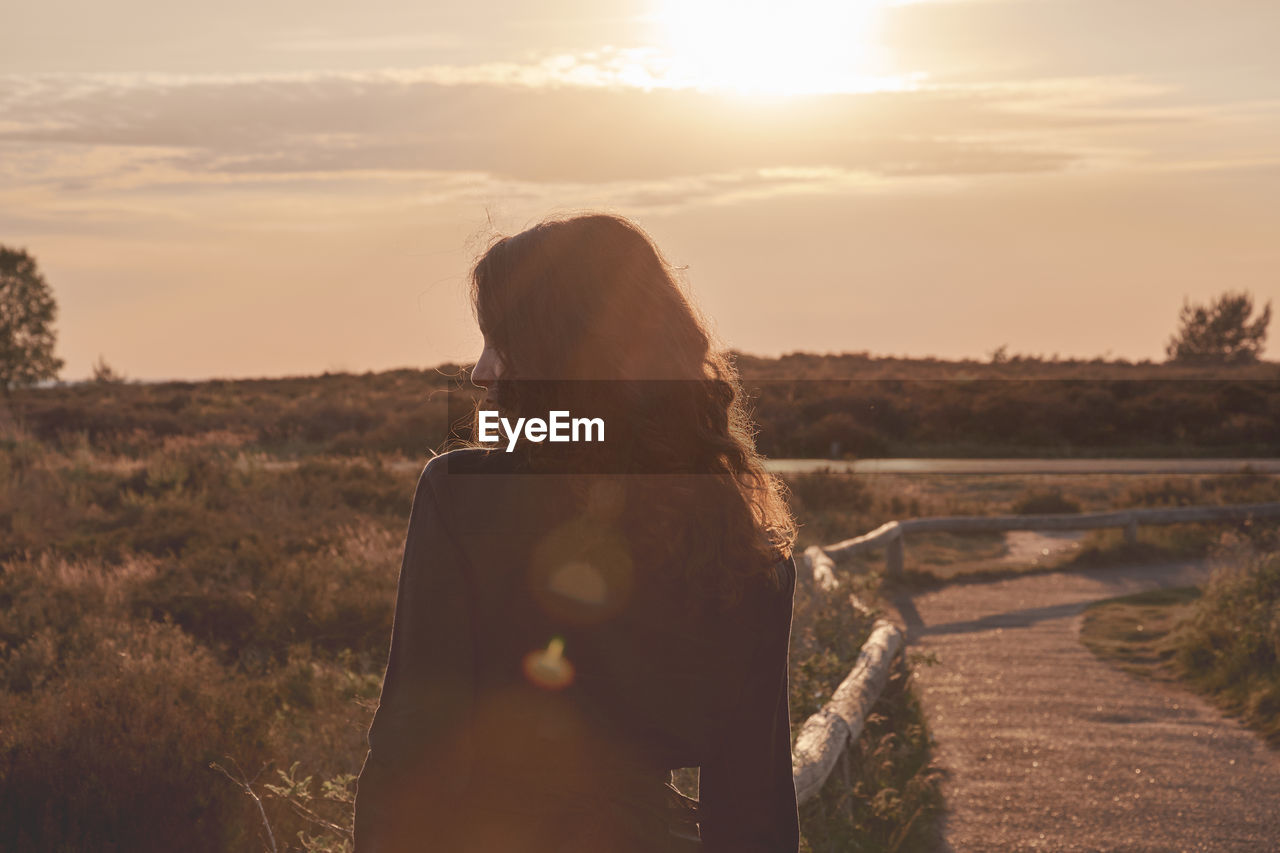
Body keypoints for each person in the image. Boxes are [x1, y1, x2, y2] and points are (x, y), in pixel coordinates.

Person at [353, 213, 800, 852]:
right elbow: (753, 786)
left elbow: (414, 735)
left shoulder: (464, 491)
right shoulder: (737, 531)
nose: (481, 371)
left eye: (502, 341)